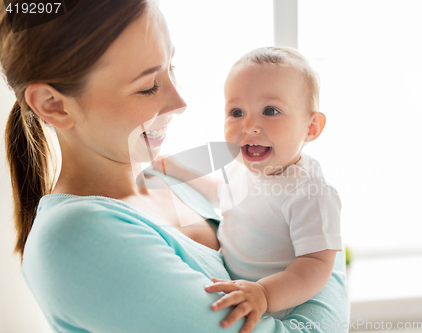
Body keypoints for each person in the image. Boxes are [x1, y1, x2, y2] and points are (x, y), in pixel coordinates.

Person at [1, 1, 349, 332]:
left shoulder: (163, 175)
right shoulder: (74, 240)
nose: (180, 102)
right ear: (53, 104)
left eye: (172, 68)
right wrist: (320, 238)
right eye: (148, 87)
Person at [153, 47, 343, 332]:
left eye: (270, 111)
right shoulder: (241, 166)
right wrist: (180, 170)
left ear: (311, 127)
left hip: (277, 305)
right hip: (237, 286)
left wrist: (265, 294)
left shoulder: (310, 192)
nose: (250, 126)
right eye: (236, 112)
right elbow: (223, 196)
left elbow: (316, 264)